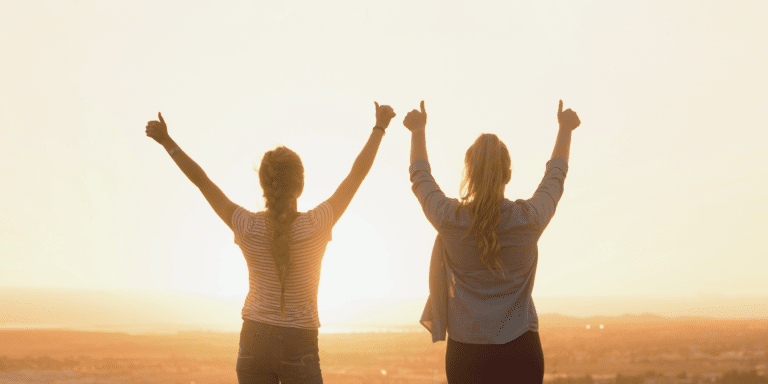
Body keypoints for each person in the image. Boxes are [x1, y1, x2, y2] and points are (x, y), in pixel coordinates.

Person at [144, 102, 396, 384]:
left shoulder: (247, 226)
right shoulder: (316, 225)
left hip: (254, 341)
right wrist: (380, 127)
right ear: (300, 186)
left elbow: (202, 181)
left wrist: (167, 142)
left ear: (263, 186)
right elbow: (356, 175)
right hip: (299, 342)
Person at [403, 100, 580, 383]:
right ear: (508, 174)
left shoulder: (450, 219)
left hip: (466, 355)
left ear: (468, 174)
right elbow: (555, 177)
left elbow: (419, 177)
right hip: (521, 351)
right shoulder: (529, 219)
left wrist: (417, 130)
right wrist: (566, 130)